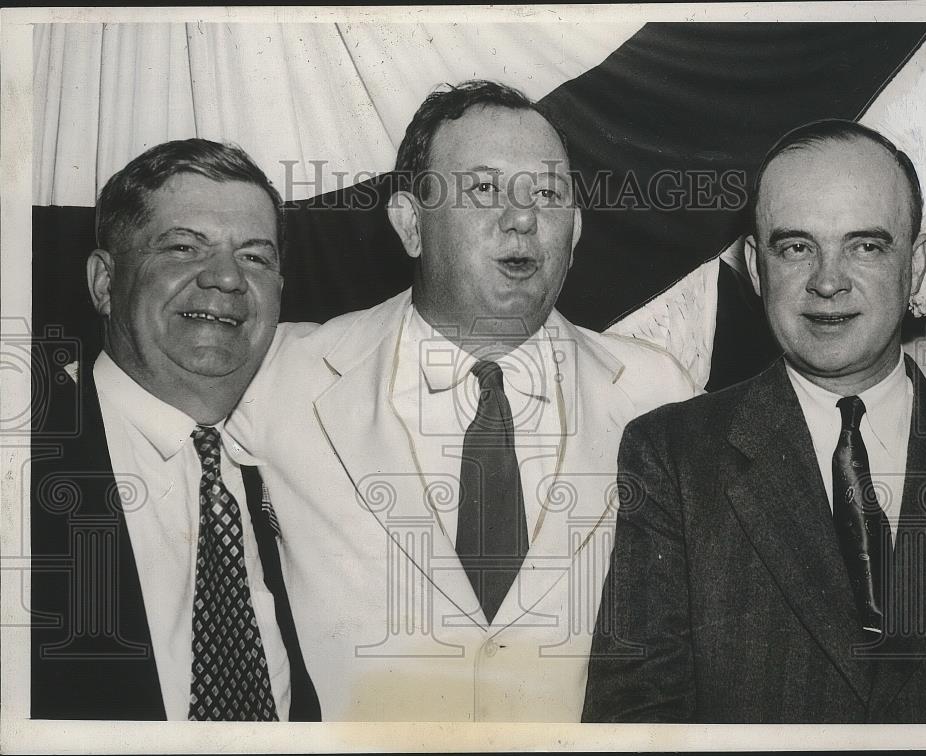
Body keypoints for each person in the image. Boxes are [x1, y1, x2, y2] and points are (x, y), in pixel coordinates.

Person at [226, 79, 697, 721]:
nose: (523, 217)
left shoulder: (659, 393)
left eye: (549, 193)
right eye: (484, 189)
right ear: (411, 224)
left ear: (576, 229)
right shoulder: (284, 379)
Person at [582, 119, 926, 723]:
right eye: (797, 247)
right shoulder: (672, 456)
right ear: (756, 267)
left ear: (916, 263)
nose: (828, 282)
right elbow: (638, 721)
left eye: (866, 245)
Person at [31, 139, 320, 721]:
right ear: (105, 283)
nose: (226, 279)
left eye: (256, 257)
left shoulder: (314, 448)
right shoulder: (27, 452)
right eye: (184, 247)